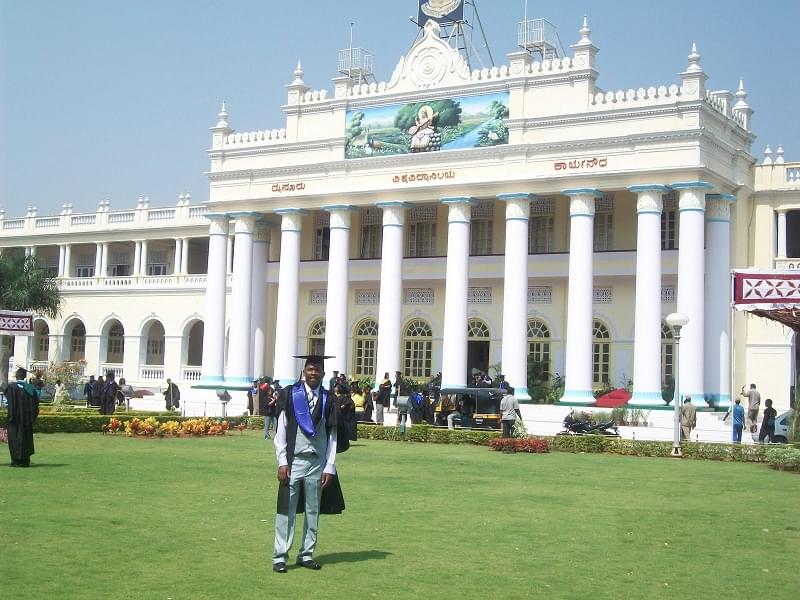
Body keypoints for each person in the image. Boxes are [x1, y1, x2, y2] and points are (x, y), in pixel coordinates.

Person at [272, 354, 344, 574]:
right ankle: (280, 556)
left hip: (316, 463)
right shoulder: (290, 394)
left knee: (313, 510)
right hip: (294, 462)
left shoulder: (329, 399)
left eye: (317, 370)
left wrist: (329, 466)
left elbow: (332, 435)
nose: (313, 373)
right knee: (287, 510)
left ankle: (306, 554)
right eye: (310, 369)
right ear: (304, 371)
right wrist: (282, 461)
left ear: (323, 373)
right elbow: (281, 429)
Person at [4, 366, 40, 467]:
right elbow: (36, 404)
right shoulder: (29, 388)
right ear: (24, 377)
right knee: (26, 439)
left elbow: (6, 403)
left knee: (14, 439)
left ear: (16, 377)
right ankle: (25, 461)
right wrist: (32, 417)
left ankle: (15, 461)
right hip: (26, 421)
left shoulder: (10, 387)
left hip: (13, 419)